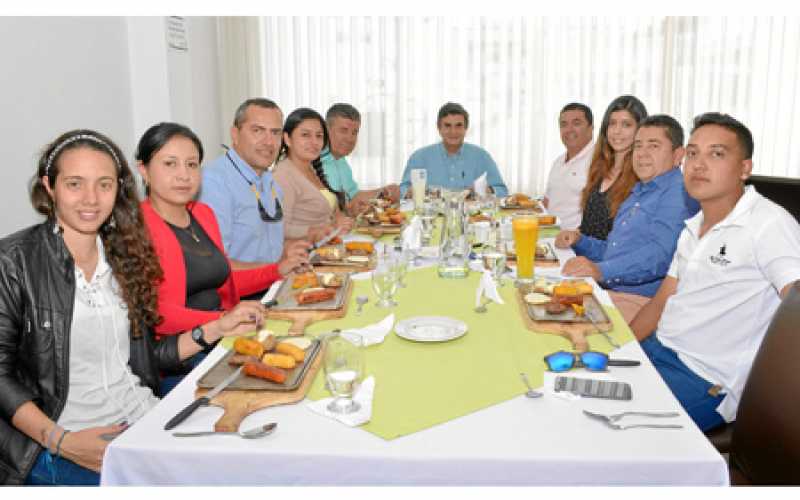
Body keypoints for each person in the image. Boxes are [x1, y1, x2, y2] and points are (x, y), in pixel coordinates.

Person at [0, 130, 262, 485]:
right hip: (62, 438)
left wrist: (216, 328)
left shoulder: (124, 255)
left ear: (118, 189)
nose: (91, 199)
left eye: (104, 185)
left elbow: (147, 357)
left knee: (245, 461)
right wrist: (61, 441)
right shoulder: (14, 261)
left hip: (140, 414)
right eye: (75, 184)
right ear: (49, 186)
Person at [629, 113, 800, 431]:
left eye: (716, 154)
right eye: (692, 153)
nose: (698, 164)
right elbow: (660, 302)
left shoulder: (768, 224)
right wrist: (621, 350)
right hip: (658, 350)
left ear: (745, 169)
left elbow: (797, 301)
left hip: (705, 379)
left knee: (612, 434)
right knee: (572, 392)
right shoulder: (693, 225)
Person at [137, 123, 309, 393]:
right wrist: (222, 320)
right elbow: (159, 316)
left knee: (306, 351)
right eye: (170, 164)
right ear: (144, 170)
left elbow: (224, 279)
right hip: (182, 356)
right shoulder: (138, 228)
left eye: (192, 165)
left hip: (221, 336)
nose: (184, 175)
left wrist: (278, 270)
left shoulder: (202, 214)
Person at [557, 115, 700, 323]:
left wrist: (601, 270)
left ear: (678, 155)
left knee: (557, 321)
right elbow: (615, 251)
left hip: (641, 301)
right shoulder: (640, 190)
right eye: (638, 146)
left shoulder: (678, 192)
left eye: (653, 146)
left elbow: (661, 256)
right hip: (613, 291)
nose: (642, 154)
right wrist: (581, 241)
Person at [199, 98, 308, 268]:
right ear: (235, 135)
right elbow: (215, 266)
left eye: (275, 132)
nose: (269, 142)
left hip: (271, 284)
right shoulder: (214, 183)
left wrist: (288, 251)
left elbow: (261, 248)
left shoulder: (269, 180)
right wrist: (274, 270)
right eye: (257, 130)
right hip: (242, 293)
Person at [561, 95, 648, 242]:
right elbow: (588, 225)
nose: (617, 131)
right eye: (612, 123)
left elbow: (626, 241)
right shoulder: (599, 168)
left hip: (604, 262)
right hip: (580, 253)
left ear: (640, 130)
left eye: (626, 125)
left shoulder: (640, 178)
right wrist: (572, 235)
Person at [273, 108, 355, 240]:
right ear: (287, 139)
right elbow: (279, 228)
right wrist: (329, 227)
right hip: (303, 255)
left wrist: (339, 217)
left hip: (327, 249)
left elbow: (323, 212)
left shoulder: (312, 168)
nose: (314, 142)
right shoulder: (283, 175)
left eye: (319, 136)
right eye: (305, 135)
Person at [399, 102, 508, 198]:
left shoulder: (482, 156)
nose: (453, 132)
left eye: (458, 126)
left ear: (466, 128)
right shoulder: (419, 157)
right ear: (439, 128)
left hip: (472, 218)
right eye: (447, 126)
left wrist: (489, 190)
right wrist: (409, 192)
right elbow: (402, 190)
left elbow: (502, 191)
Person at [321, 103, 400, 215]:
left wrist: (384, 191)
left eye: (355, 132)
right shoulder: (312, 160)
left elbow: (354, 196)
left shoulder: (341, 161)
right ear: (326, 129)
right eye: (343, 130)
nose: (350, 139)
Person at [543, 103, 595, 230]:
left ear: (591, 128)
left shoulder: (598, 162)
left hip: (575, 243)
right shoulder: (558, 161)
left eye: (576, 123)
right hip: (549, 235)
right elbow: (547, 202)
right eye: (564, 124)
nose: (569, 130)